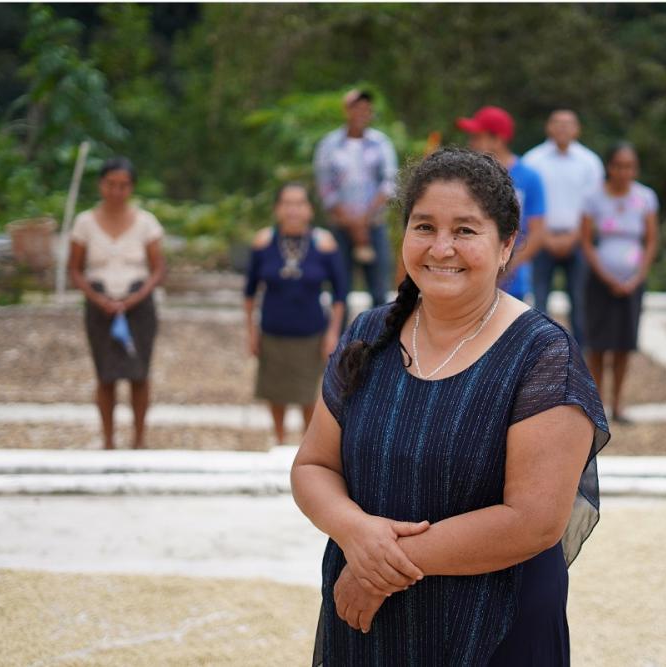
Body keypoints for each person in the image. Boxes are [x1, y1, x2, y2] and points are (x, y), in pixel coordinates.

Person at [291, 147, 609, 665]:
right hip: (369, 626)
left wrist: (379, 568)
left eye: (465, 230)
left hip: (493, 627)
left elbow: (533, 521)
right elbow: (313, 465)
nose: (441, 248)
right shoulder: (369, 334)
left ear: (506, 245)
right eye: (424, 227)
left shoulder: (543, 355)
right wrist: (355, 532)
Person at [67, 157, 166, 450]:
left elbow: (158, 268)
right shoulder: (84, 222)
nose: (116, 191)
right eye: (111, 184)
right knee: (105, 373)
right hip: (100, 304)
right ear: (101, 185)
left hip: (138, 303)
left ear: (131, 188)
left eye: (123, 185)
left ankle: (139, 439)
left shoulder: (146, 222)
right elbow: (75, 268)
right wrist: (98, 299)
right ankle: (108, 440)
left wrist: (136, 297)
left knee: (139, 372)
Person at [244, 183, 348, 446]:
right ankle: (278, 440)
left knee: (308, 394)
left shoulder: (323, 243)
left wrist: (333, 333)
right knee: (274, 390)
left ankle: (307, 446)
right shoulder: (264, 241)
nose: (293, 210)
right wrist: (251, 332)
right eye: (287, 203)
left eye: (299, 203)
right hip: (272, 330)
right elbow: (249, 292)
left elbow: (339, 294)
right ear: (277, 208)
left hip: (311, 332)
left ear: (310, 209)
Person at [581, 143, 660, 424]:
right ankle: (597, 402)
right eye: (619, 165)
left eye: (629, 166)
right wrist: (606, 276)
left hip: (632, 280)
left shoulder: (646, 197)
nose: (624, 172)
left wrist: (637, 277)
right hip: (601, 279)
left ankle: (619, 402)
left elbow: (650, 240)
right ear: (609, 167)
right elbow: (587, 242)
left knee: (625, 344)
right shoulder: (593, 197)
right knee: (599, 344)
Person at [313, 89, 397, 318]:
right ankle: (339, 343)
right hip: (340, 225)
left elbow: (389, 183)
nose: (361, 113)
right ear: (346, 110)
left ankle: (379, 341)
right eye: (356, 108)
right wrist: (351, 222)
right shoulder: (329, 145)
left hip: (374, 224)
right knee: (340, 287)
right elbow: (325, 187)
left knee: (379, 289)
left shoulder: (380, 143)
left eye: (366, 109)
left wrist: (364, 219)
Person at [523, 109, 604, 343]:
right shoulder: (533, 160)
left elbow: (596, 205)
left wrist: (576, 236)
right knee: (539, 300)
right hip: (540, 240)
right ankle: (539, 350)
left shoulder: (590, 162)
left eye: (568, 124)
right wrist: (544, 237)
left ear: (577, 129)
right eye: (557, 123)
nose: (562, 128)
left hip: (578, 240)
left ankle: (580, 354)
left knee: (579, 301)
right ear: (548, 127)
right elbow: (525, 204)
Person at [457, 105, 545, 302]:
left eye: (477, 137)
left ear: (497, 139)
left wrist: (507, 265)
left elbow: (537, 232)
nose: (471, 144)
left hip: (512, 283)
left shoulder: (529, 177)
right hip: (470, 280)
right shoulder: (466, 177)